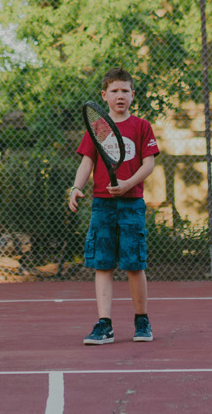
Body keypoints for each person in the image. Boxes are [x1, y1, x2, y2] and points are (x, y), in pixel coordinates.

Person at [67, 67, 159, 345]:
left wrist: (128, 183)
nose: (120, 95)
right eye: (115, 91)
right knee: (103, 264)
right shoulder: (98, 127)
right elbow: (87, 161)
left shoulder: (142, 126)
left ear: (133, 94)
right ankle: (104, 324)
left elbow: (149, 163)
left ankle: (141, 320)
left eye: (125, 90)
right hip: (102, 205)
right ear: (104, 96)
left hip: (131, 205)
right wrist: (76, 187)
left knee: (134, 264)